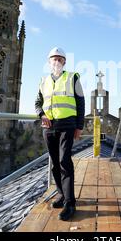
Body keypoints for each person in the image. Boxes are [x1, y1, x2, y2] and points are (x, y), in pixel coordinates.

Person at [35, 47, 85, 221]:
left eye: (60, 59)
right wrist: (41, 114)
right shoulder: (43, 80)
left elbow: (80, 102)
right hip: (49, 128)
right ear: (49, 62)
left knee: (64, 161)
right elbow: (38, 103)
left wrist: (79, 125)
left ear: (64, 62)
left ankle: (70, 203)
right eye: (53, 59)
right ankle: (62, 194)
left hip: (67, 126)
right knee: (55, 163)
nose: (56, 62)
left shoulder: (73, 78)